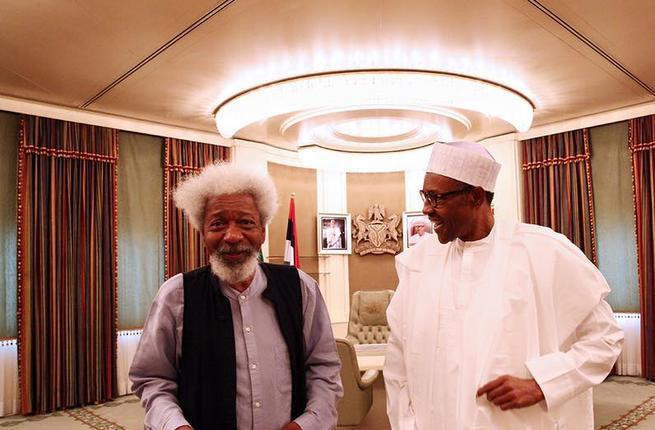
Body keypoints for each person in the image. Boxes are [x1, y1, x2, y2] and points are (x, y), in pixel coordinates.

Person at [384, 142, 624, 429]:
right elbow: (398, 360)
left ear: (475, 196)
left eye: (436, 198)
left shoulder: (542, 251)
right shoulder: (418, 263)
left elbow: (604, 338)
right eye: (425, 196)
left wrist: (542, 383)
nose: (426, 210)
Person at [129, 162, 342, 430]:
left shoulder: (300, 288)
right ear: (203, 232)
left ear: (262, 231)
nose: (232, 236)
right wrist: (175, 426)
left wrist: (307, 424)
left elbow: (323, 369)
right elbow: (152, 379)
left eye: (245, 222)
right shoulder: (176, 296)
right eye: (218, 224)